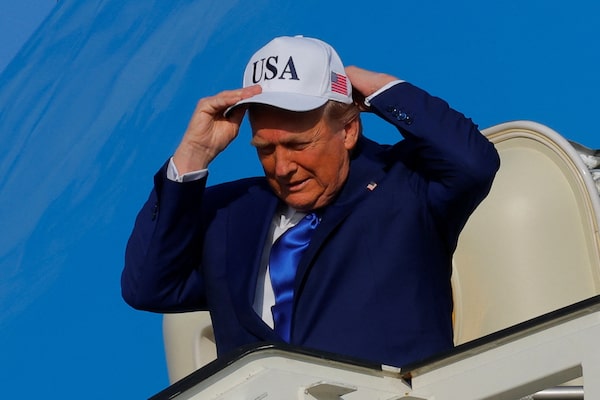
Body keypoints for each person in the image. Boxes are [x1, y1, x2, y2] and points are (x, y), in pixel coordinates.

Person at [121, 35, 500, 368]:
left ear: (348, 129)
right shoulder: (228, 214)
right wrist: (193, 154)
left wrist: (380, 90)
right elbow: (148, 287)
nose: (282, 167)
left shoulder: (405, 185)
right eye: (265, 149)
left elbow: (473, 163)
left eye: (298, 145)